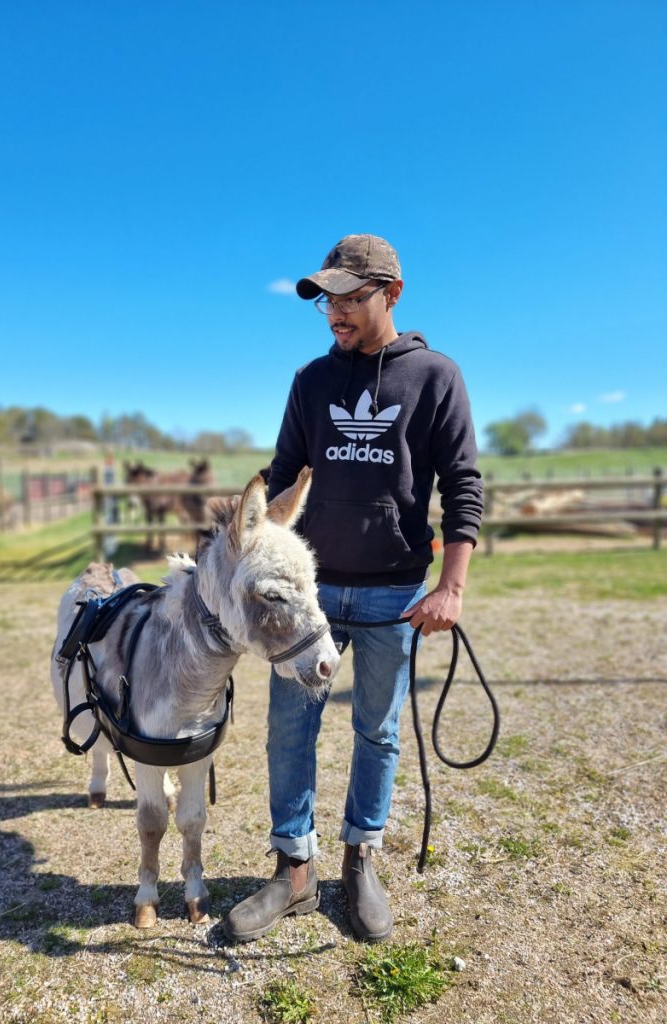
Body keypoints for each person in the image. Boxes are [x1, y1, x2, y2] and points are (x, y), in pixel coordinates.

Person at [223, 234, 483, 944]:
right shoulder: (310, 381)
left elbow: (462, 487)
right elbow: (281, 475)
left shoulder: (435, 377)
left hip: (393, 594)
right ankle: (294, 870)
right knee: (289, 730)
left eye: (349, 296)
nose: (334, 311)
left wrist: (451, 587)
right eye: (326, 299)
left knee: (378, 729)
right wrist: (246, 554)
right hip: (309, 597)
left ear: (391, 294)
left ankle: (359, 857)